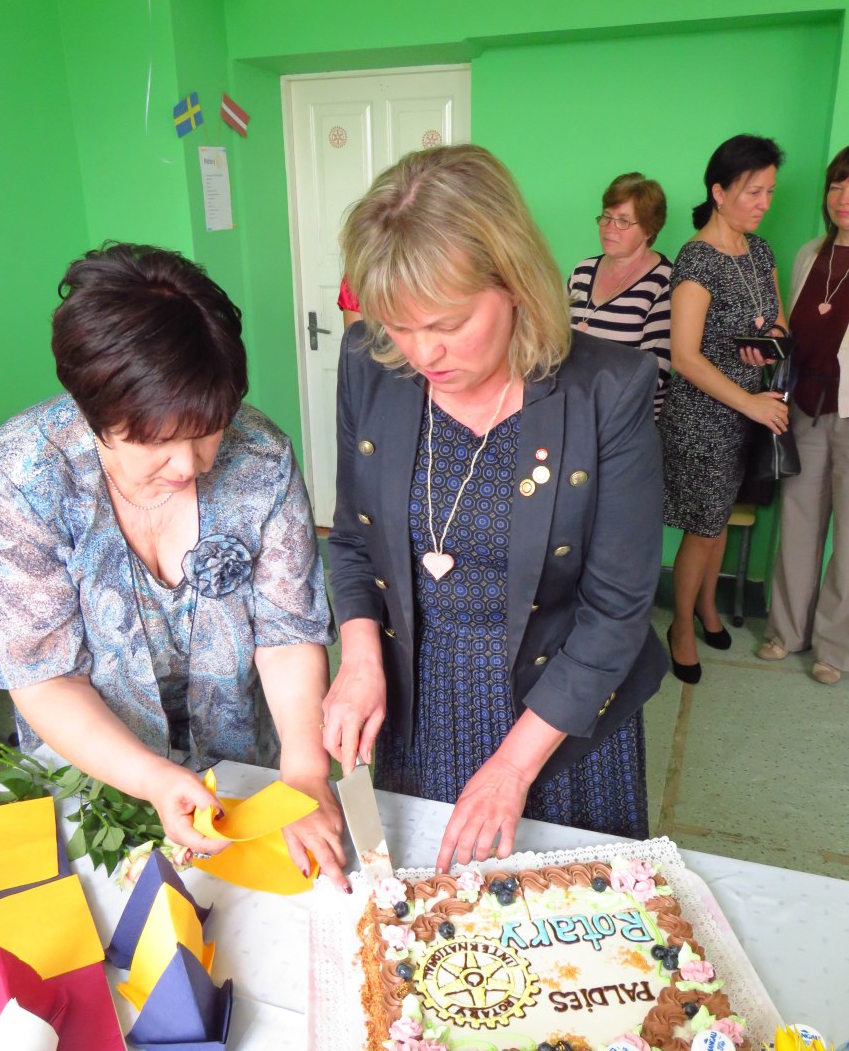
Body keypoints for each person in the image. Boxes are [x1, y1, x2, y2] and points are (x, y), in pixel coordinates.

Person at [323, 145, 667, 871]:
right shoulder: (369, 364)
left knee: (558, 912)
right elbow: (353, 539)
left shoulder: (607, 392)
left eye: (446, 324)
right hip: (419, 699)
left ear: (513, 283)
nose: (422, 353)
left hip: (556, 710)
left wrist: (514, 766)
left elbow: (616, 612)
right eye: (399, 325)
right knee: (431, 914)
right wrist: (358, 658)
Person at [0, 242, 348, 887]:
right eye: (157, 442)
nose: (191, 465)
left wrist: (305, 769)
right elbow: (43, 675)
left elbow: (288, 634)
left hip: (241, 771)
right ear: (95, 412)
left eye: (210, 429)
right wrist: (150, 778)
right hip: (96, 786)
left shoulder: (260, 456)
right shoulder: (23, 475)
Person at [659, 135, 789, 685]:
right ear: (719, 191)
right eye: (753, 192)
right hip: (703, 418)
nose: (764, 203)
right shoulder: (697, 259)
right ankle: (680, 628)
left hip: (745, 412)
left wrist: (770, 341)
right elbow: (684, 357)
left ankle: (707, 607)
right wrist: (752, 404)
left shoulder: (759, 251)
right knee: (704, 528)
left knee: (719, 524)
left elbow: (778, 320)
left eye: (770, 192)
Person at [757, 146, 849, 685]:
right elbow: (793, 331)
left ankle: (834, 648)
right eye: (837, 185)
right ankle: (787, 631)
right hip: (805, 406)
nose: (844, 197)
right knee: (798, 521)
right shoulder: (811, 253)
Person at [567, 172, 672, 421]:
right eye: (606, 217)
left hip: (628, 422)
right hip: (576, 413)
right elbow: (554, 339)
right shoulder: (582, 271)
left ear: (648, 230)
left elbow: (655, 372)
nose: (609, 228)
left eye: (623, 221)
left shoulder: (664, 280)